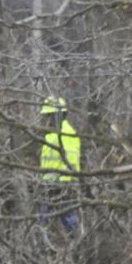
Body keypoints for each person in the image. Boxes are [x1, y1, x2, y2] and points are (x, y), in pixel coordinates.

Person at [39, 96, 82, 233]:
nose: (46, 120)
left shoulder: (66, 133)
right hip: (50, 185)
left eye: (48, 116)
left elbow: (71, 160)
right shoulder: (51, 135)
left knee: (68, 217)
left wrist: (64, 183)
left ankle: (79, 242)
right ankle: (45, 245)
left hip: (61, 184)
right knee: (44, 217)